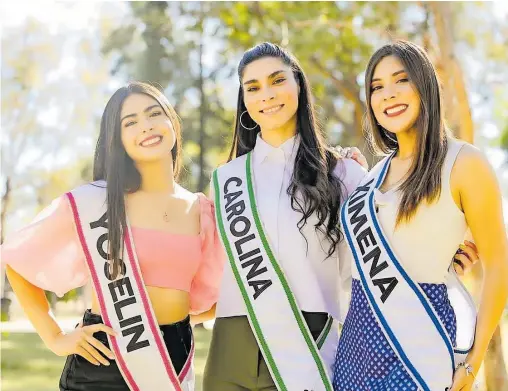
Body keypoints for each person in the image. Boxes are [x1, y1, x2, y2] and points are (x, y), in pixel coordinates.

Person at [202, 42, 479, 391]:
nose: (267, 95)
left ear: (299, 85)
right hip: (230, 347)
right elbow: (208, 275)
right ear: (244, 102)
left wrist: (443, 260)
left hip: (307, 346)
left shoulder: (344, 173)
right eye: (253, 88)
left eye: (277, 80)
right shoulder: (226, 181)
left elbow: (375, 255)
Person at [1, 82, 224, 391]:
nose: (145, 127)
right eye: (129, 122)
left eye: (153, 114)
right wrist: (55, 337)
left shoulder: (203, 211)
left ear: (171, 121)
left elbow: (217, 298)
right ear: (117, 139)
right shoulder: (95, 204)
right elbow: (16, 261)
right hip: (102, 362)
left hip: (172, 357)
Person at [332, 40, 508, 391]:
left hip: (420, 354)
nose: (389, 94)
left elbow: (499, 266)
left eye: (401, 80)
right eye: (377, 87)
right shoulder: (372, 176)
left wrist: (472, 364)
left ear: (424, 84)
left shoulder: (463, 163)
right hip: (354, 353)